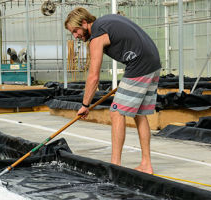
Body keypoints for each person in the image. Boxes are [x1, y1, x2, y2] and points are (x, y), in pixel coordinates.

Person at [64, 7, 161, 174]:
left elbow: (94, 76)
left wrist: (85, 104)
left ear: (85, 23)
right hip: (153, 61)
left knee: (116, 112)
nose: (75, 36)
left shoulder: (97, 35)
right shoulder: (106, 22)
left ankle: (115, 166)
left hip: (139, 64)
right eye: (72, 33)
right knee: (139, 113)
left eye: (76, 30)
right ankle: (146, 164)